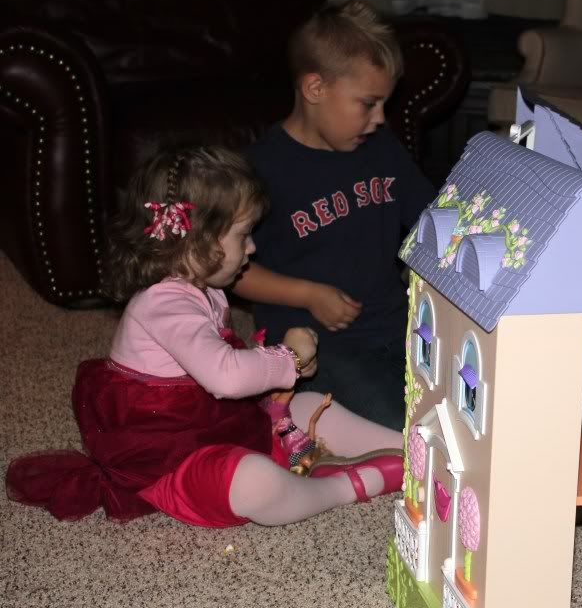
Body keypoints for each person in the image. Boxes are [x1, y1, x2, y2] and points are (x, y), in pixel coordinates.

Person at [5, 146, 404, 528]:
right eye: (243, 235)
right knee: (255, 483)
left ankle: (411, 450)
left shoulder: (205, 288)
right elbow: (225, 376)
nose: (252, 247)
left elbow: (222, 366)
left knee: (309, 403)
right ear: (198, 240)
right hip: (169, 460)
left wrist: (285, 367)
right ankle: (346, 486)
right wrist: (289, 358)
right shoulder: (163, 304)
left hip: (211, 425)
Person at [234, 0, 438, 432]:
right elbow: (230, 270)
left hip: (397, 326)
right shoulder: (260, 170)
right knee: (408, 431)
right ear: (315, 88)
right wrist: (308, 294)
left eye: (384, 104)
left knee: (465, 410)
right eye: (368, 103)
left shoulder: (382, 149)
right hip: (317, 348)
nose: (380, 119)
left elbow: (432, 219)